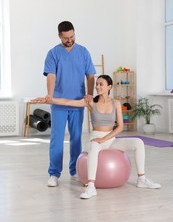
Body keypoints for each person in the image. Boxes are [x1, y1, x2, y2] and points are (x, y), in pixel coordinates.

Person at [32, 74, 161, 199]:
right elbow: (68, 102)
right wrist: (49, 99)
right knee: (94, 146)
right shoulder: (90, 102)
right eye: (97, 84)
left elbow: (120, 127)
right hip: (95, 139)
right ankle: (91, 186)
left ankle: (142, 179)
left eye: (101, 84)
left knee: (138, 142)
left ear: (109, 87)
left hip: (110, 139)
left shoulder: (116, 103)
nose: (97, 87)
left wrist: (104, 139)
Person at [43, 21, 96, 187]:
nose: (69, 40)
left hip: (77, 103)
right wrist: (50, 95)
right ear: (59, 36)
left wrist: (89, 94)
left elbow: (91, 76)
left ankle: (74, 171)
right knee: (57, 139)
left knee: (76, 138)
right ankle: (54, 174)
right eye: (66, 38)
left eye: (72, 36)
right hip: (59, 103)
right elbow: (51, 76)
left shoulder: (83, 52)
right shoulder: (53, 53)